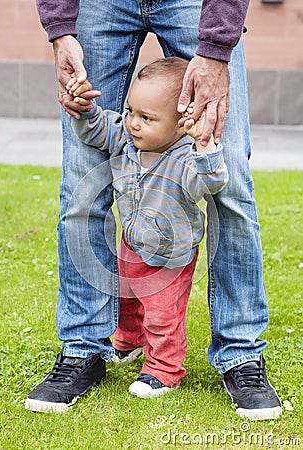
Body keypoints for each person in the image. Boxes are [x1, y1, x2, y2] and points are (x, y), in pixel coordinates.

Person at [26, 0, 282, 420]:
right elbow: (102, 128)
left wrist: (217, 46)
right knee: (81, 184)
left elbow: (216, 175)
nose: (131, 121)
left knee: (228, 175)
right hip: (97, 6)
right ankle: (82, 348)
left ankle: (240, 354)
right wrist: (59, 27)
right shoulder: (124, 129)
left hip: (198, 5)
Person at [68, 56, 228, 398]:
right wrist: (84, 110)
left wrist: (205, 149)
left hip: (171, 254)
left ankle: (164, 369)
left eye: (146, 118)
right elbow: (96, 128)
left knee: (161, 313)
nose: (133, 124)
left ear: (183, 123)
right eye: (130, 112)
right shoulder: (126, 140)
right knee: (125, 297)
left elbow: (210, 182)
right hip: (132, 240)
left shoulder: (184, 159)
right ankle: (130, 341)